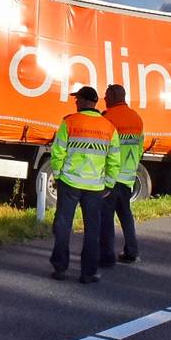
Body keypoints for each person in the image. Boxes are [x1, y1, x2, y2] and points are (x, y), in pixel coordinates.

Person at [49, 85, 121, 284]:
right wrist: (108, 183)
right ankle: (88, 272)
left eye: (77, 99)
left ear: (85, 101)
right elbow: (114, 159)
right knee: (92, 229)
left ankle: (60, 268)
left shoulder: (69, 122)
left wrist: (57, 175)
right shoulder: (109, 127)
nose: (76, 102)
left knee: (64, 225)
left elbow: (58, 152)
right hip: (95, 187)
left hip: (70, 182)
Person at [99, 84, 143, 266]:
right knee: (125, 214)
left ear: (114, 96)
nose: (104, 99)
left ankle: (107, 256)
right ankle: (132, 252)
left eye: (106, 95)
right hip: (128, 176)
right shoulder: (137, 118)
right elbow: (139, 148)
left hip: (111, 176)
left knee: (106, 217)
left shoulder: (108, 118)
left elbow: (104, 149)